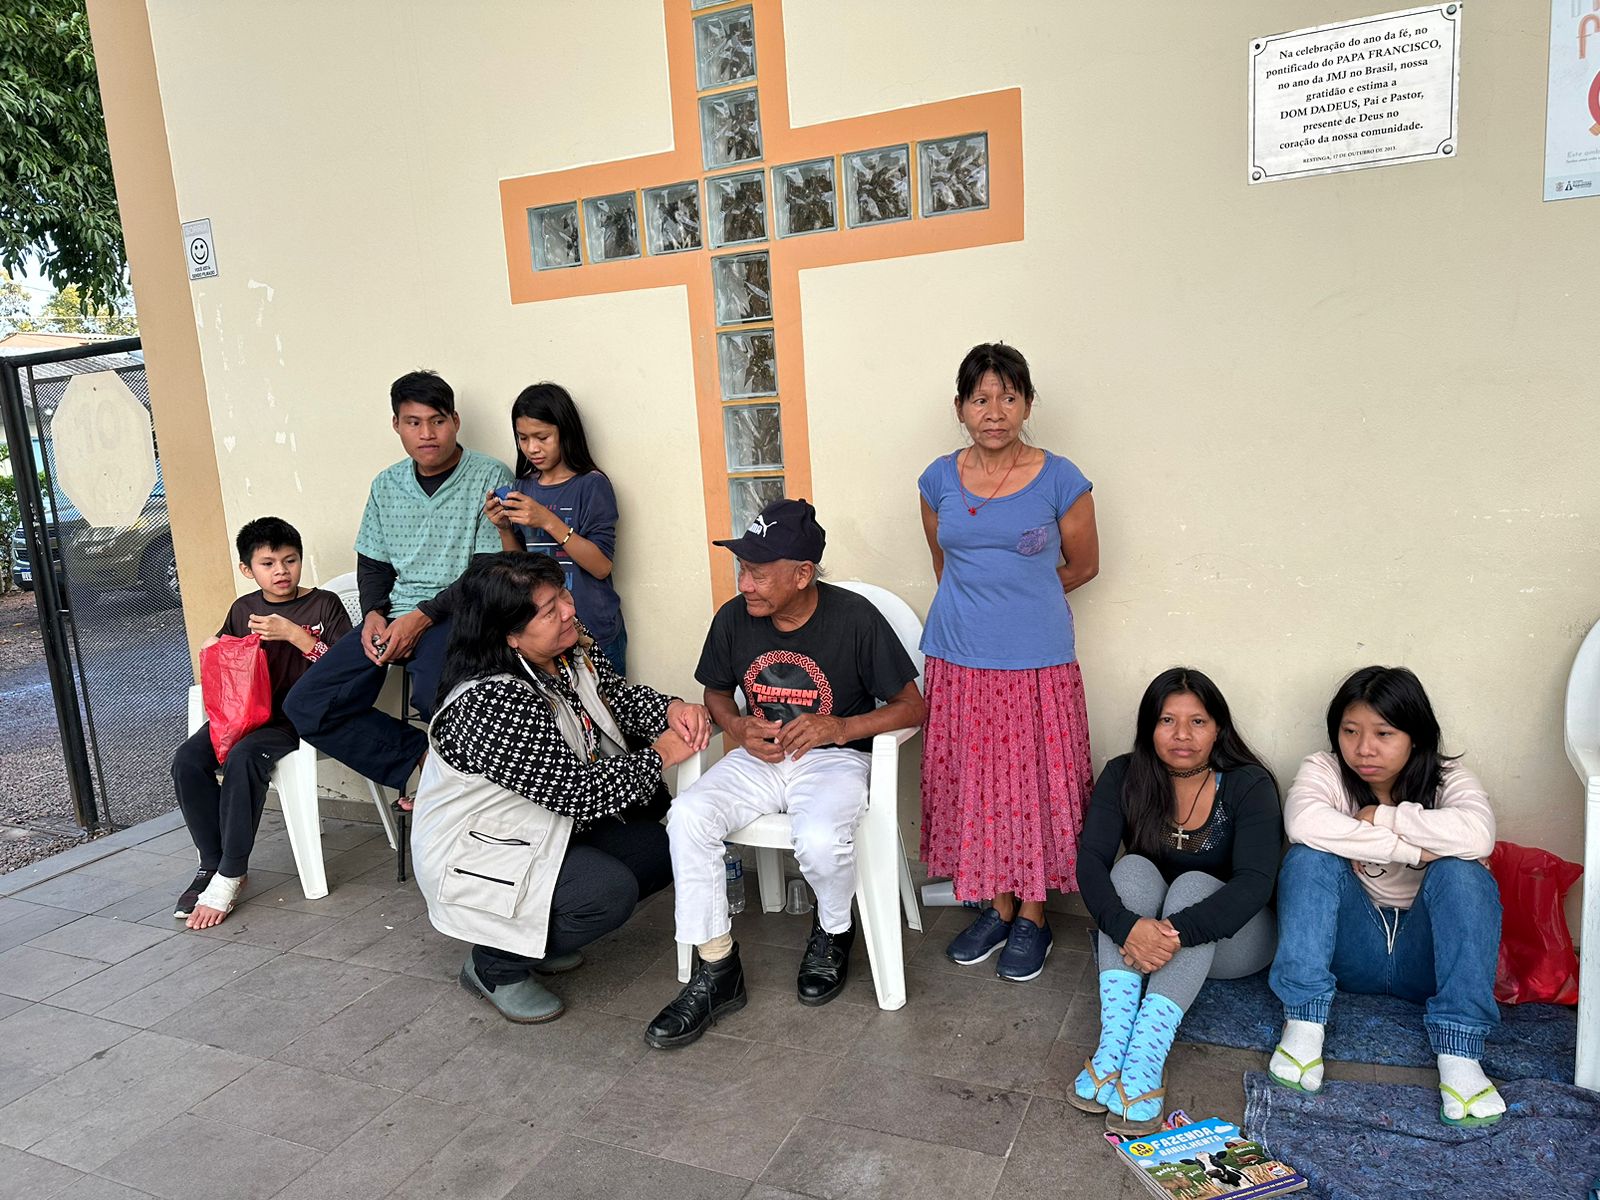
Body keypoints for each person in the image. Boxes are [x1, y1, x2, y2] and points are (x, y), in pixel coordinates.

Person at [644, 498, 926, 1049]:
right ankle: (717, 968)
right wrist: (736, 725)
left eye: (757, 572)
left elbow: (912, 707)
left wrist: (839, 727)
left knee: (819, 838)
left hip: (835, 756)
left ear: (802, 574)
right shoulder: (734, 618)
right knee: (688, 816)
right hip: (760, 757)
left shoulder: (854, 618)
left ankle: (833, 929)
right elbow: (716, 692)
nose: (744, 584)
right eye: (741, 569)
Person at [411, 552, 710, 1024]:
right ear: (509, 635)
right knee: (605, 892)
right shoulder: (491, 699)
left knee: (659, 847)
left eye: (564, 596)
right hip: (478, 852)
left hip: (541, 829)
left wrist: (671, 709)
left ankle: (531, 940)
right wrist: (660, 755)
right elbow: (576, 793)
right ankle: (495, 966)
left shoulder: (565, 650)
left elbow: (615, 698)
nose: (569, 611)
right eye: (550, 610)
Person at [918, 342, 1099, 982]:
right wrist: (980, 608)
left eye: (1008, 397)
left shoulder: (1061, 479)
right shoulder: (937, 479)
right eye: (980, 399)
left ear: (1026, 404)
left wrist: (1022, 597)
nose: (994, 411)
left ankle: (1034, 916)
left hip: (1036, 660)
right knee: (979, 785)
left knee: (1034, 784)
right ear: (960, 408)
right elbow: (945, 565)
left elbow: (1084, 565)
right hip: (958, 657)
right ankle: (996, 908)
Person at [1269, 666, 1503, 1127]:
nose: (1364, 748)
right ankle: (1304, 1025)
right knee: (1308, 857)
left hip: (1426, 960)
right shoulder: (1325, 770)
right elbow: (1303, 823)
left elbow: (1478, 835)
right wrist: (1414, 852)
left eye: (1383, 733)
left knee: (1463, 873)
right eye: (1350, 731)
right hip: (1351, 948)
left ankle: (1460, 1053)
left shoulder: (1449, 778)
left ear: (1415, 736)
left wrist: (1380, 816)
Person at [285, 370, 511, 809]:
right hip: (392, 616)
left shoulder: (489, 475)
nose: (427, 434)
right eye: (413, 422)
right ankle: (425, 759)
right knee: (308, 704)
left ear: (455, 421)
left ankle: (467, 796)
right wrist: (373, 613)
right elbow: (373, 564)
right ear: (396, 425)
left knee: (437, 698)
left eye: (437, 421)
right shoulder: (386, 485)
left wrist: (419, 619)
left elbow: (487, 571)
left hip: (458, 614)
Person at [1072, 668, 1281, 1134]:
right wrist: (1127, 927)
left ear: (1218, 728)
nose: (1182, 735)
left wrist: (1168, 935)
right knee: (1130, 869)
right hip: (1149, 938)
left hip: (1235, 941)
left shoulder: (1248, 784)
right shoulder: (1124, 775)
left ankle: (1146, 1056)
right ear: (1150, 726)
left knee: (1194, 885)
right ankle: (1114, 1045)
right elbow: (1091, 861)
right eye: (1168, 720)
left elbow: (1255, 884)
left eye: (1197, 722)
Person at [172, 517, 352, 928]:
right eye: (268, 564)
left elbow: (348, 669)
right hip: (245, 714)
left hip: (295, 719)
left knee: (244, 758)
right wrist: (214, 648)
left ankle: (230, 874)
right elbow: (227, 660)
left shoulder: (324, 605)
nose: (281, 571)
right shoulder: (244, 609)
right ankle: (212, 863)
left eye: (290, 560)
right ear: (248, 569)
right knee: (187, 760)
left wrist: (296, 635)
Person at [485, 382, 629, 675]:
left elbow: (601, 566)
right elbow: (520, 573)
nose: (532, 448)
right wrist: (504, 529)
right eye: (523, 438)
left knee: (607, 703)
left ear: (566, 432)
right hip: (544, 635)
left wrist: (547, 520)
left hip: (594, 630)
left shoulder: (592, 485)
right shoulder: (523, 486)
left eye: (542, 437)